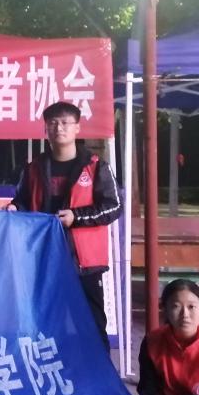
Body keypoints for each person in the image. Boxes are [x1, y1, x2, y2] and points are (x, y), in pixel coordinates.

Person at [7, 101, 120, 351]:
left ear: (77, 127)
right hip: (45, 259)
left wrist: (76, 217)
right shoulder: (33, 169)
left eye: (65, 123)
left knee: (91, 324)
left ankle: (98, 372)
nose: (59, 128)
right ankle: (53, 370)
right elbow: (22, 201)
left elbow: (114, 207)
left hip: (84, 263)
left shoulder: (96, 166)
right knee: (47, 324)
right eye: (53, 123)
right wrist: (15, 208)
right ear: (45, 129)